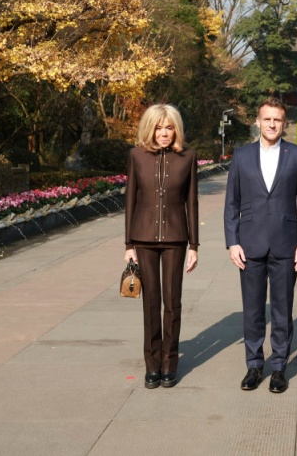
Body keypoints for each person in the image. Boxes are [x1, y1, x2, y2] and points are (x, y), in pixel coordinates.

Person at [224, 98, 297, 393]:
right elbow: (231, 204)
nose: (272, 124)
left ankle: (278, 367)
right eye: (267, 119)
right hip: (249, 244)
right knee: (252, 310)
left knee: (282, 309)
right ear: (258, 121)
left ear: (284, 123)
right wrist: (232, 242)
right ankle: (254, 365)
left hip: (286, 244)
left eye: (277, 119)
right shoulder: (242, 156)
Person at [125, 104, 199, 389]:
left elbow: (191, 202)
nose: (164, 133)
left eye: (169, 127)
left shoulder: (187, 157)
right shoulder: (136, 156)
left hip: (176, 239)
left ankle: (170, 363)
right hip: (142, 238)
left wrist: (194, 245)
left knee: (173, 303)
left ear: (176, 129)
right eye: (158, 127)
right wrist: (128, 244)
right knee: (150, 302)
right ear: (149, 129)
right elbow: (130, 199)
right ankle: (152, 365)